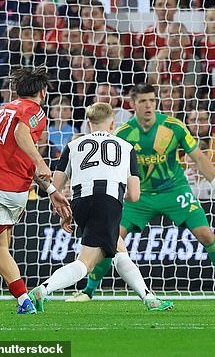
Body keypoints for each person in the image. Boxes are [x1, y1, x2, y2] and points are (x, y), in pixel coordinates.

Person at [70, 84, 215, 303]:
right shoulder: (123, 133)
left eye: (151, 100)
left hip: (174, 189)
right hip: (140, 195)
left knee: (206, 234)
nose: (148, 105)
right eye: (142, 101)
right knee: (111, 237)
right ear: (133, 104)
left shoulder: (174, 127)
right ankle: (88, 291)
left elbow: (198, 157)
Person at [28, 102, 172, 312]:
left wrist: (61, 208)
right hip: (108, 202)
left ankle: (149, 298)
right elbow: (134, 195)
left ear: (88, 124)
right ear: (112, 124)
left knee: (118, 248)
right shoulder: (126, 147)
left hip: (80, 204)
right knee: (85, 263)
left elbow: (54, 187)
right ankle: (44, 289)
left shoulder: (72, 145)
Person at [0, 66, 70, 315]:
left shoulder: (5, 110)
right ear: (43, 92)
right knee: (3, 240)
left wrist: (47, 185)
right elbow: (23, 136)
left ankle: (23, 300)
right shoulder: (35, 110)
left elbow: (19, 135)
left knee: (0, 246)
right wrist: (42, 164)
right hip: (16, 190)